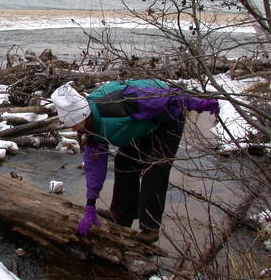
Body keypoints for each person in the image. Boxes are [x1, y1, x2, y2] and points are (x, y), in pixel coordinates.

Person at [51, 79, 219, 244]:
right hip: (139, 124)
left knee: (154, 168)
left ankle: (150, 227)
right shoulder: (90, 127)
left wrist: (200, 102)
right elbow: (95, 165)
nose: (72, 129)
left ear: (83, 114)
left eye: (73, 124)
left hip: (167, 118)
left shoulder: (120, 103)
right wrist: (90, 205)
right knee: (124, 162)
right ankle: (122, 214)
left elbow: (168, 97)